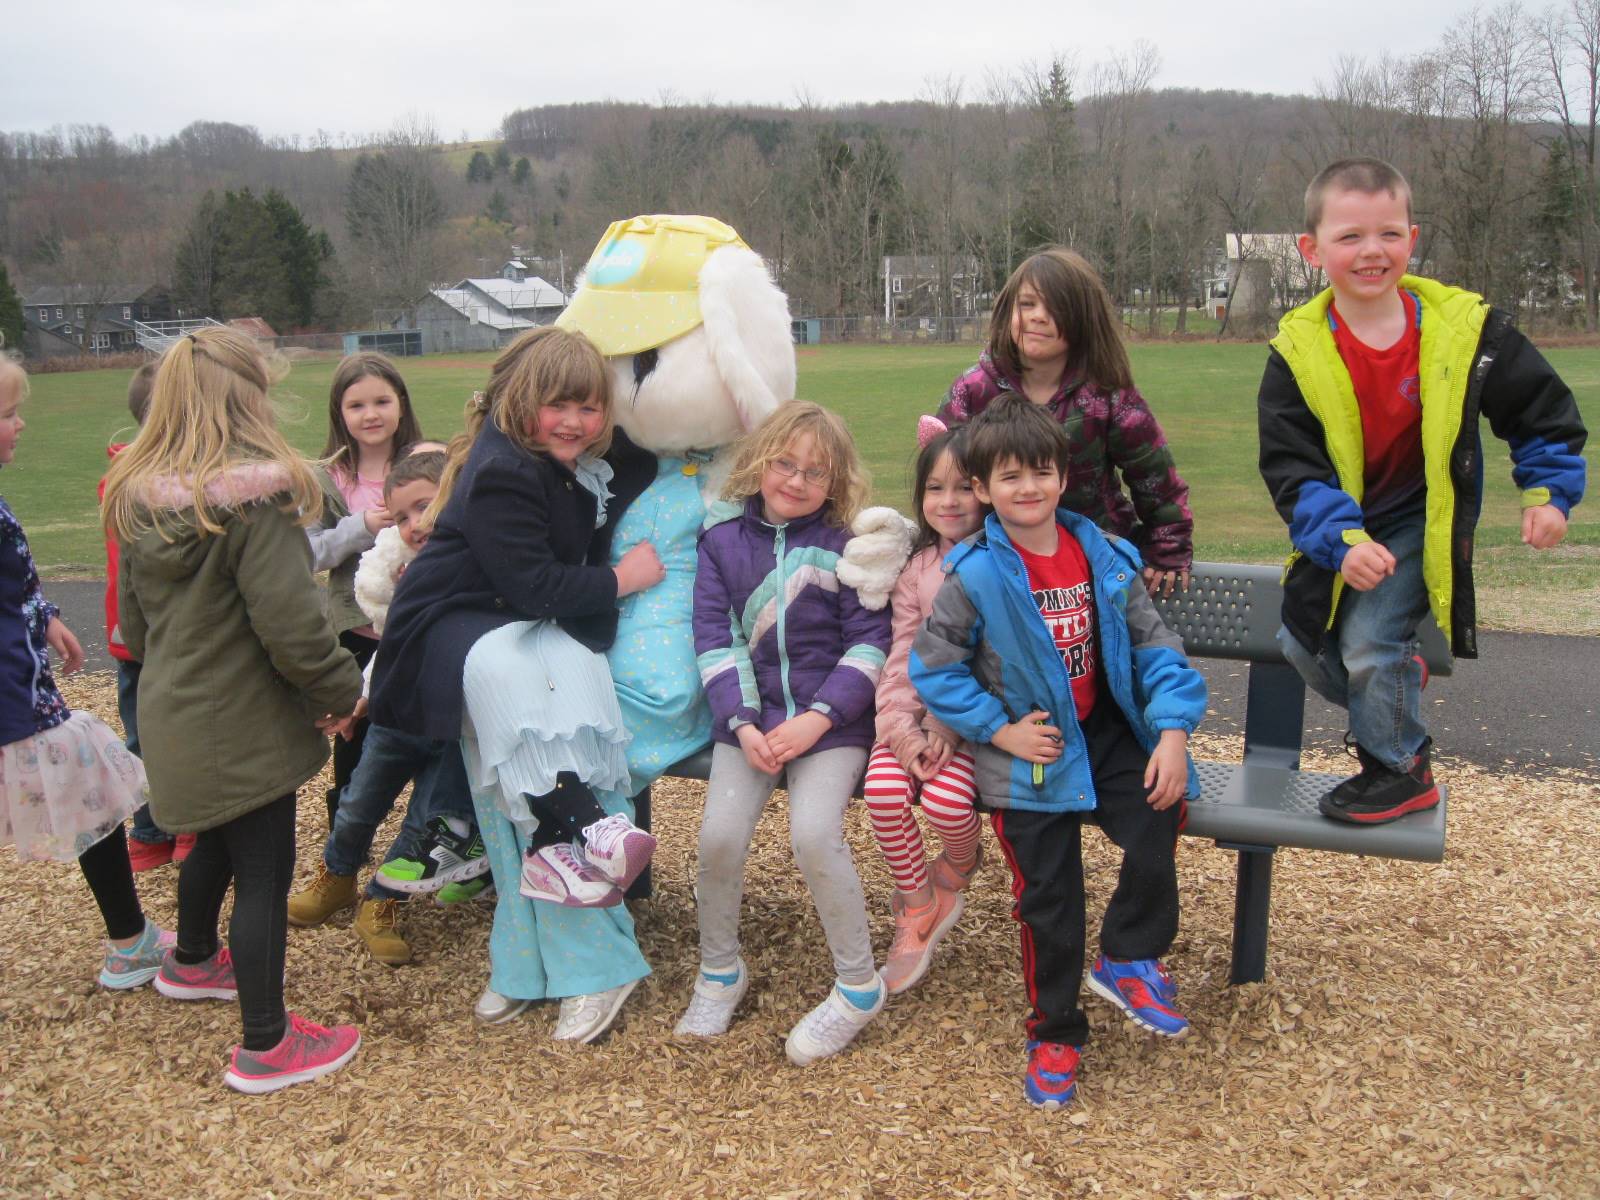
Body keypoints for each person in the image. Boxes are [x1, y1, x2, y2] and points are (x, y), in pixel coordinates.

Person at [1259, 158, 1588, 824]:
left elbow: (1541, 411)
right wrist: (1342, 540)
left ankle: (1401, 767)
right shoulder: (1296, 350)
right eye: (1350, 236)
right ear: (1312, 249)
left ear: (1412, 238)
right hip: (1345, 520)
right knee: (1301, 641)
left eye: (1388, 233)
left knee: (1369, 645)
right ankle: (1396, 686)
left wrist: (1549, 495)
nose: (1371, 251)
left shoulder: (1465, 332)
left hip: (1419, 517)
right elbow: (1294, 468)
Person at [909, 397, 1207, 1108]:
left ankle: (1129, 954)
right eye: (1009, 478)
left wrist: (1170, 732)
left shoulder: (1100, 553)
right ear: (982, 489)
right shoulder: (975, 575)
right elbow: (935, 669)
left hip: (1101, 736)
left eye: (1041, 472)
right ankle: (1055, 1034)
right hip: (1026, 755)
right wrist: (996, 729)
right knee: (1050, 904)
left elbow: (1153, 644)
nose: (1028, 489)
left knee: (1159, 819)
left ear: (1063, 477)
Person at [370, 325, 662, 1039]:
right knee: (533, 768)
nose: (575, 422)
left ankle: (567, 959)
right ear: (518, 401)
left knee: (514, 779)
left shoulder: (548, 455)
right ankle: (576, 894)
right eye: (558, 405)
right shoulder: (504, 468)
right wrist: (621, 579)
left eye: (591, 408)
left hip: (493, 625)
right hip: (461, 627)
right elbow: (533, 584)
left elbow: (637, 455)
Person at [103, 327, 364, 1094]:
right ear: (246, 400)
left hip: (175, 711)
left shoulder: (139, 502)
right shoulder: (257, 502)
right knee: (263, 870)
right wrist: (343, 694)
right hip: (243, 722)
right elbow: (292, 627)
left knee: (210, 843)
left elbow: (137, 630)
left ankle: (191, 961)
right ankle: (267, 1043)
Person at [680, 401, 893, 1067]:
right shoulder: (719, 544)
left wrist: (819, 717)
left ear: (836, 483)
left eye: (816, 472)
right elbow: (716, 640)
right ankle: (719, 971)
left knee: (812, 833)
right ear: (760, 462)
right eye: (785, 463)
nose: (797, 481)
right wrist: (742, 723)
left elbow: (870, 647)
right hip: (749, 724)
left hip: (831, 726)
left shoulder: (847, 549)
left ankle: (858, 985)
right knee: (716, 836)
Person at [0, 353, 171, 990]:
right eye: (10, 415)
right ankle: (130, 944)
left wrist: (43, 614)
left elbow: (10, 582)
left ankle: (130, 938)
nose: (20, 426)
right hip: (15, 700)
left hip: (23, 688)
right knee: (93, 789)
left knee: (91, 787)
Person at [287, 448, 488, 966]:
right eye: (401, 517)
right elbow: (391, 650)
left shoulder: (480, 565)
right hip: (398, 717)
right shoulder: (401, 575)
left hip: (452, 725)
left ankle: (384, 901)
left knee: (427, 820)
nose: (415, 524)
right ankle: (337, 875)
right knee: (359, 803)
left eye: (425, 506)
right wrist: (362, 700)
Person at [936, 247, 1194, 597]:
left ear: (1084, 320)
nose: (1038, 317)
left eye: (1054, 308)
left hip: (1095, 560)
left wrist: (1168, 550)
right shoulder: (973, 390)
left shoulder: (1107, 394)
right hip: (1000, 563)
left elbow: (1155, 477)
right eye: (1027, 304)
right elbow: (945, 476)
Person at [862, 416, 985, 994]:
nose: (950, 500)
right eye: (935, 488)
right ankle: (917, 907)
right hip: (915, 721)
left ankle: (960, 862)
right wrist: (900, 729)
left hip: (975, 727)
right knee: (885, 789)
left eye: (964, 486)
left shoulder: (999, 562)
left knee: (945, 800)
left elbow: (994, 666)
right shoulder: (918, 568)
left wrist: (946, 728)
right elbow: (903, 654)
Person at [309, 352, 424, 827]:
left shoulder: (426, 461)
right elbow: (310, 553)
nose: (371, 414)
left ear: (401, 404)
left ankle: (426, 840)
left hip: (418, 627)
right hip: (358, 631)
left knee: (425, 736)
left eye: (381, 400)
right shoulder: (328, 477)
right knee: (354, 739)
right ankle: (344, 845)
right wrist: (361, 526)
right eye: (357, 405)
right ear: (340, 412)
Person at [100, 361, 191, 870]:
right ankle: (156, 828)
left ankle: (173, 827)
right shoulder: (133, 481)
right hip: (141, 637)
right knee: (148, 736)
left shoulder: (128, 475)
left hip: (148, 634)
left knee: (161, 734)